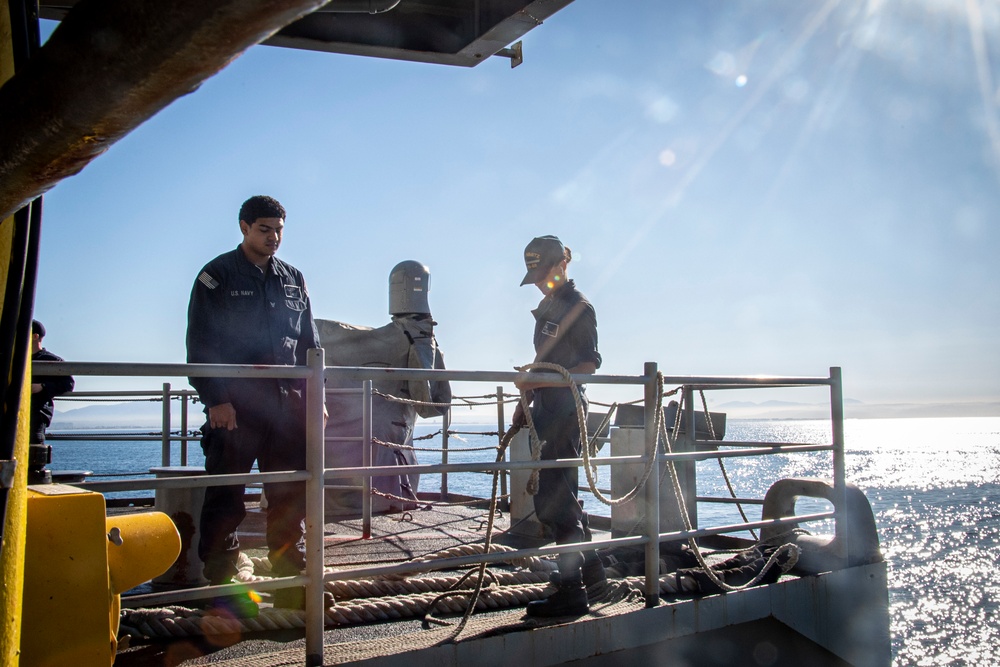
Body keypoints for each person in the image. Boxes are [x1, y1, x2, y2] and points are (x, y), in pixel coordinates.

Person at [186, 195, 325, 614]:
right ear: (244, 227)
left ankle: (290, 584)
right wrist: (216, 399)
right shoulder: (216, 276)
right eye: (265, 229)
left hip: (286, 406)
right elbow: (200, 342)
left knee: (288, 498)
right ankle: (221, 586)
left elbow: (309, 343)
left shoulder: (293, 278)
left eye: (279, 229)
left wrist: (315, 398)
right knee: (226, 494)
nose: (274, 237)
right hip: (237, 408)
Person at [512, 235, 606, 617]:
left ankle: (571, 591)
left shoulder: (579, 307)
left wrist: (536, 383)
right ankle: (594, 574)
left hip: (566, 414)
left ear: (562, 265)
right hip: (548, 411)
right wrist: (528, 400)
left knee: (555, 501)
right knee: (562, 494)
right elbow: (546, 359)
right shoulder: (549, 305)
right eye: (533, 275)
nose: (537, 281)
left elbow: (587, 366)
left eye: (542, 273)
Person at [29, 320, 75, 483]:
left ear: (35, 337)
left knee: (34, 460)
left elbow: (68, 383)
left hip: (36, 415)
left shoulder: (51, 360)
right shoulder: (15, 358)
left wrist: (42, 387)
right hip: (18, 416)